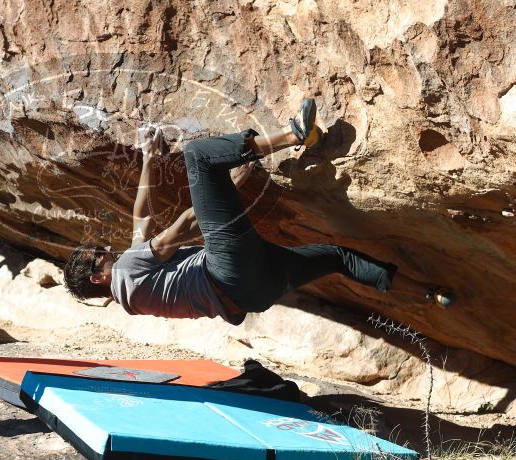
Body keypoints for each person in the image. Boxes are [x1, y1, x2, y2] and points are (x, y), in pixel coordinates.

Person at [64, 99, 455, 324]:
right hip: (229, 271)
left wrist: (149, 159)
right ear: (98, 277)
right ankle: (296, 135)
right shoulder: (126, 270)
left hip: (252, 294)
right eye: (98, 255)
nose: (104, 250)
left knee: (337, 257)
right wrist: (236, 183)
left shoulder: (130, 293)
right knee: (199, 157)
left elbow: (141, 221)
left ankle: (430, 293)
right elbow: (183, 226)